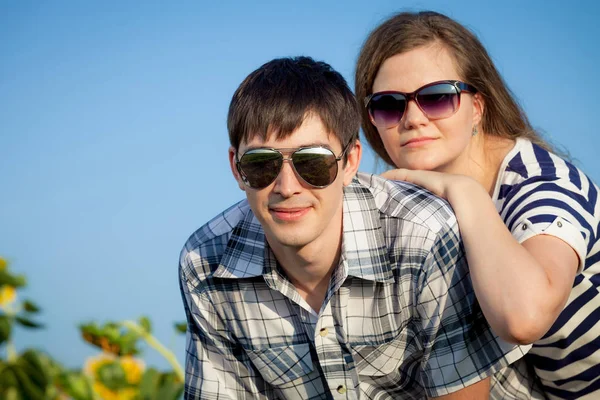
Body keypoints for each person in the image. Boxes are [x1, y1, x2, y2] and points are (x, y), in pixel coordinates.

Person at [178, 56, 533, 399]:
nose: (287, 187)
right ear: (236, 167)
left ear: (350, 162)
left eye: (312, 163)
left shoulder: (424, 236)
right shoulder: (206, 263)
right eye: (261, 164)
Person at [355, 10, 600, 400]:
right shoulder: (423, 211)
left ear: (478, 108)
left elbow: (524, 318)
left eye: (437, 98)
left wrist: (467, 194)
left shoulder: (543, 185)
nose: (413, 118)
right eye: (389, 105)